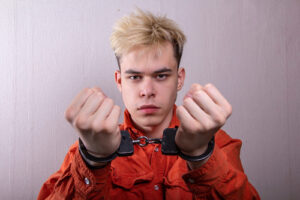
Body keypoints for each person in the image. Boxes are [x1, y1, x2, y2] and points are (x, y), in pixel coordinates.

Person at [38, 9, 260, 200]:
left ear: (179, 79)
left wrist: (201, 155)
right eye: (135, 77)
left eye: (161, 76)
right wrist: (94, 160)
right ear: (119, 81)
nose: (147, 91)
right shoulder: (87, 148)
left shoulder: (217, 144)